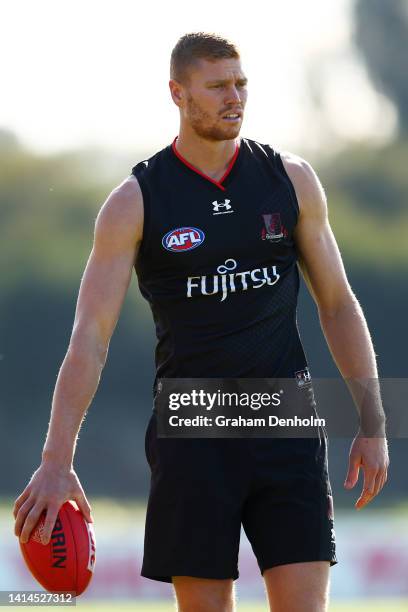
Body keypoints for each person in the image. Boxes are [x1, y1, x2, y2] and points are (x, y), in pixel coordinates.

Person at [13, 32, 389, 612]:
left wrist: (372, 419)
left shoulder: (289, 180)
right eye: (216, 86)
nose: (233, 97)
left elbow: (337, 304)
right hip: (193, 428)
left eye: (240, 84)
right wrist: (56, 459)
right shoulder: (134, 202)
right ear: (178, 93)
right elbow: (90, 337)